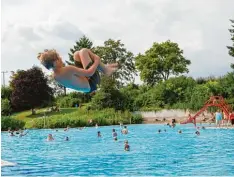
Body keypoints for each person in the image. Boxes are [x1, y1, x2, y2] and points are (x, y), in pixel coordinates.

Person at [37, 48, 118, 94]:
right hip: (92, 83)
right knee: (84, 51)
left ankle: (105, 68)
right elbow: (90, 73)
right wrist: (97, 60)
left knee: (76, 53)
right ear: (55, 62)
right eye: (59, 57)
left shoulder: (55, 76)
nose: (61, 58)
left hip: (86, 89)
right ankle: (105, 70)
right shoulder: (68, 69)